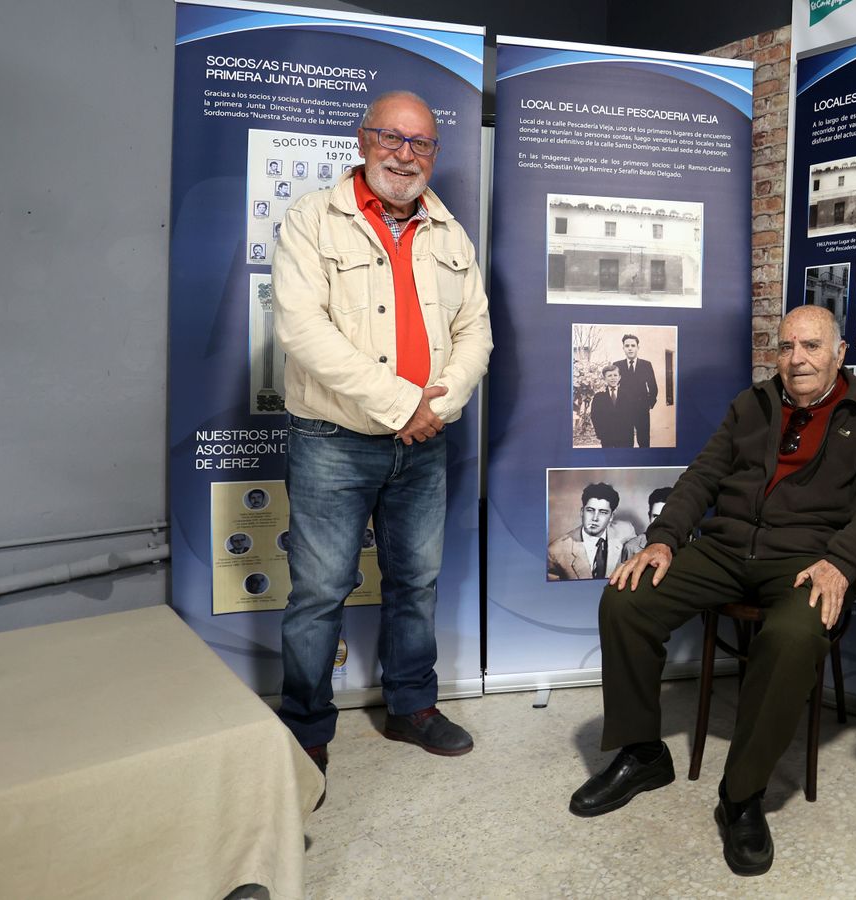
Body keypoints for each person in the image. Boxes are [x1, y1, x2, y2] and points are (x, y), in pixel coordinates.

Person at [570, 306, 856, 877]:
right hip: (725, 549)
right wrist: (664, 538)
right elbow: (702, 475)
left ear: (840, 353)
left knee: (795, 634)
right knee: (627, 597)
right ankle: (644, 752)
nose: (798, 359)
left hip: (805, 558)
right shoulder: (753, 404)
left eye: (812, 346)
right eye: (788, 346)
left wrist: (841, 564)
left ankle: (741, 796)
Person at [271, 90, 492, 796]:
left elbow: (475, 332)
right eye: (391, 138)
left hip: (424, 445)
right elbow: (303, 334)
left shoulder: (450, 233)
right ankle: (306, 734)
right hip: (334, 440)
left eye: (420, 143)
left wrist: (440, 403)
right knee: (319, 593)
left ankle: (411, 706)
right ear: (364, 140)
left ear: (434, 154)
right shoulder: (313, 220)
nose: (404, 153)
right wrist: (403, 404)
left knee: (416, 584)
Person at [547, 483, 637, 581]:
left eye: (603, 512)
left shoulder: (626, 531)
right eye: (590, 510)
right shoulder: (556, 551)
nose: (595, 518)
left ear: (611, 516)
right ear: (582, 512)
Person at [614, 333, 658, 447]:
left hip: (642, 410)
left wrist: (649, 404)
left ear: (638, 347)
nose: (630, 348)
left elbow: (653, 387)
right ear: (623, 348)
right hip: (624, 410)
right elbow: (612, 386)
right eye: (627, 345)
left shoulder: (646, 365)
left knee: (644, 441)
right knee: (625, 441)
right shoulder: (617, 365)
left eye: (633, 345)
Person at [618, 486, 669, 562]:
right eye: (655, 516)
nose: (660, 522)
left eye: (665, 517)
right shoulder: (631, 547)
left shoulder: (685, 546)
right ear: (649, 516)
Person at [590, 364, 629, 448]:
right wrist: (600, 433)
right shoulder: (599, 396)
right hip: (607, 436)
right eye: (609, 376)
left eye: (615, 375)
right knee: (609, 458)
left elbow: (632, 414)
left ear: (619, 377)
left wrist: (630, 431)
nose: (613, 378)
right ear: (604, 378)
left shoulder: (627, 395)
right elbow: (595, 416)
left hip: (625, 436)